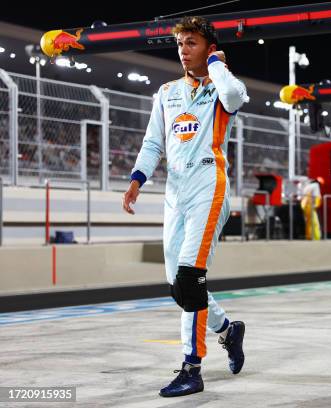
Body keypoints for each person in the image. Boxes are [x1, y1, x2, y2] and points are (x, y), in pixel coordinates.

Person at [122, 16, 250, 398]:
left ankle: (191, 368)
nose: (182, 49)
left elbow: (235, 98)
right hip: (174, 193)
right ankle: (229, 330)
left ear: (209, 48)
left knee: (190, 279)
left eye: (191, 42)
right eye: (179, 43)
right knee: (179, 286)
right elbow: (152, 143)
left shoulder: (222, 86)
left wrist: (217, 65)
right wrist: (136, 180)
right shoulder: (166, 92)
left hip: (208, 187)